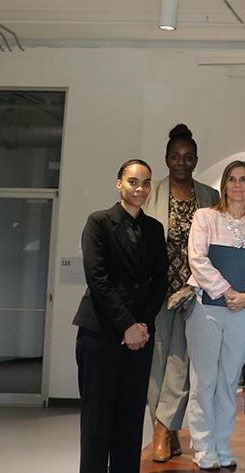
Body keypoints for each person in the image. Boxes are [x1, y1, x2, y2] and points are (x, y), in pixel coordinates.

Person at [74, 159, 168, 473]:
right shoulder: (98, 222)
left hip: (139, 338)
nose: (140, 189)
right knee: (97, 422)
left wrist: (142, 326)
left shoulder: (154, 229)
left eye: (146, 182)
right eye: (133, 181)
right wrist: (127, 325)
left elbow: (160, 282)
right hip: (100, 333)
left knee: (130, 422)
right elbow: (97, 279)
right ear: (119, 184)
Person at [143, 125, 220, 463]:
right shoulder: (152, 194)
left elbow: (217, 246)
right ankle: (168, 430)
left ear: (196, 160)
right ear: (166, 159)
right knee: (157, 362)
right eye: (175, 157)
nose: (181, 162)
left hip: (194, 292)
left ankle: (162, 429)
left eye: (188, 157)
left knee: (182, 360)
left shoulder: (210, 197)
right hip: (155, 291)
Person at [186, 160, 245, 470]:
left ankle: (222, 444)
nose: (237, 184)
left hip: (241, 312)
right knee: (204, 380)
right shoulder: (206, 217)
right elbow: (198, 259)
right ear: (224, 185)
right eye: (232, 179)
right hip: (205, 308)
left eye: (243, 179)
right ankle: (203, 446)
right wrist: (226, 291)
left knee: (229, 380)